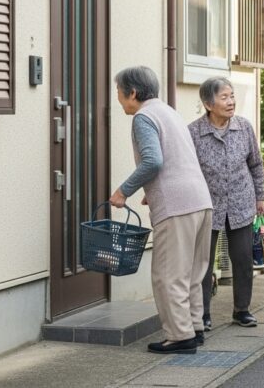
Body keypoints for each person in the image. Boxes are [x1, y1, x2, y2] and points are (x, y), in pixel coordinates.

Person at [108, 66, 213, 355]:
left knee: (168, 275)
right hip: (200, 200)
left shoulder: (143, 117)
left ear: (132, 92)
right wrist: (151, 191)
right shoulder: (169, 112)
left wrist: (123, 191)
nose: (118, 99)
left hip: (177, 206)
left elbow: (153, 161)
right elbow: (176, 159)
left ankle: (180, 336)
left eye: (119, 92)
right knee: (192, 273)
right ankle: (194, 327)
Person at [189, 78, 264, 332]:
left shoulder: (244, 127)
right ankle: (202, 314)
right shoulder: (193, 132)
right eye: (224, 97)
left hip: (241, 203)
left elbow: (255, 164)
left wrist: (260, 197)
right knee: (203, 262)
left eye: (232, 96)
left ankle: (242, 310)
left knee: (243, 259)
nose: (231, 101)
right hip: (207, 205)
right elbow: (186, 171)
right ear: (208, 104)